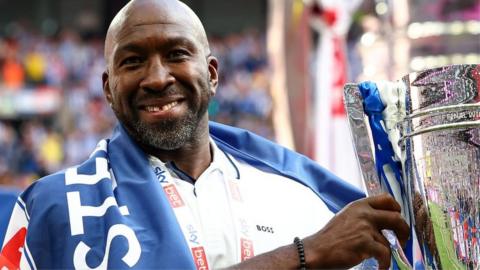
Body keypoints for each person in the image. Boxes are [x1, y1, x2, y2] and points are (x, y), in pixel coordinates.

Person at [0, 0, 409, 269]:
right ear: (108, 88)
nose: (157, 78)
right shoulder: (57, 209)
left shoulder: (302, 192)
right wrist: (307, 254)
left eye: (177, 54)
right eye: (133, 61)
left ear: (212, 75)